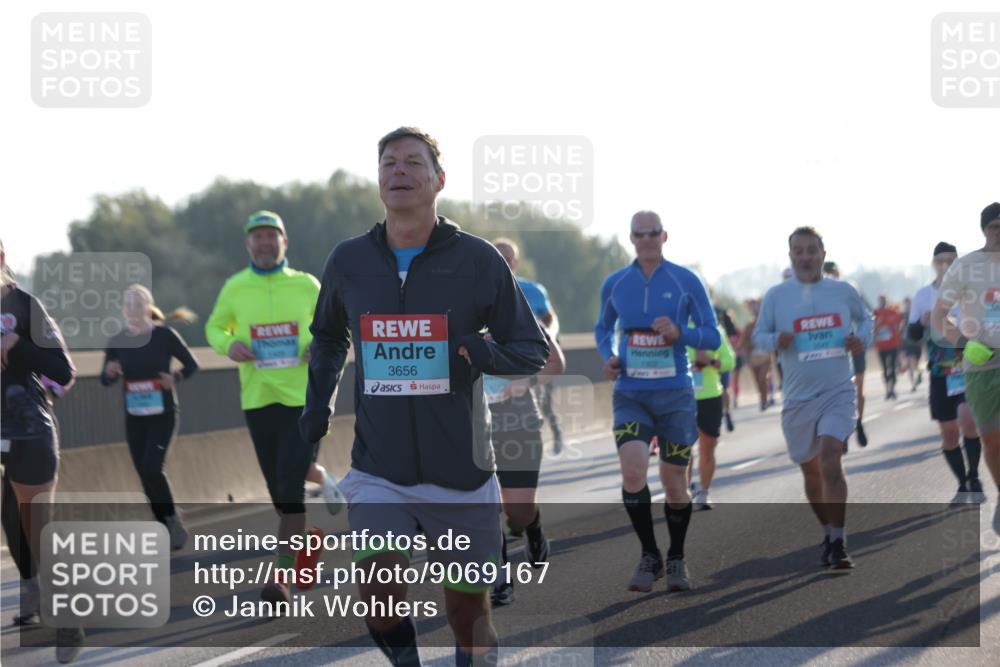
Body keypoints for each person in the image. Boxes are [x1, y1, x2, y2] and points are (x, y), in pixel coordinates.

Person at [300, 127, 548, 667]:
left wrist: (481, 354)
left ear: (439, 180)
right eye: (388, 163)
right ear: (378, 179)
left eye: (413, 163)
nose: (399, 172)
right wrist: (316, 404)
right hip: (378, 467)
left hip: (460, 470)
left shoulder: (478, 260)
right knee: (379, 598)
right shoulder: (348, 260)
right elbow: (326, 337)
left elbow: (532, 348)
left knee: (468, 618)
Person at [205, 210, 340, 607]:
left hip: (303, 400)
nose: (265, 243)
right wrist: (228, 345)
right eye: (257, 237)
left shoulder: (305, 285)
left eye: (271, 236)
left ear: (284, 242)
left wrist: (318, 345)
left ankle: (280, 579)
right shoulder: (235, 287)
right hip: (258, 398)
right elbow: (214, 327)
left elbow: (332, 326)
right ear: (248, 245)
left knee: (289, 489)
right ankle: (308, 542)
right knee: (281, 496)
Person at [595, 210, 720, 593]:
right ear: (631, 239)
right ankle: (650, 555)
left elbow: (713, 336)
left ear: (664, 236)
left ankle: (677, 556)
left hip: (676, 395)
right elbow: (603, 327)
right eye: (639, 234)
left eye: (653, 233)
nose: (646, 239)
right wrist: (609, 356)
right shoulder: (616, 283)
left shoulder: (685, 280)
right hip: (631, 393)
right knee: (633, 471)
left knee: (675, 485)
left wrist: (680, 332)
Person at [753, 227, 872, 570]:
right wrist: (777, 340)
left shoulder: (843, 291)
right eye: (798, 251)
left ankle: (838, 541)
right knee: (811, 474)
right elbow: (758, 338)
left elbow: (868, 320)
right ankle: (827, 530)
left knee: (831, 459)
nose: (805, 257)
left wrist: (860, 338)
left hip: (837, 390)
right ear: (790, 257)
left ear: (822, 253)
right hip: (798, 398)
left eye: (811, 250)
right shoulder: (777, 296)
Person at [1, 238, 82, 661]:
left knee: (35, 522)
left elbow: (63, 369)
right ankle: (33, 589)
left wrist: (19, 346)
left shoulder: (22, 305)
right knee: (9, 517)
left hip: (27, 425)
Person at [101, 285, 199, 548]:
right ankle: (164, 525)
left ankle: (172, 519)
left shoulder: (165, 336)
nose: (133, 308)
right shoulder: (118, 340)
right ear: (124, 310)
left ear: (148, 307)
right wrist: (110, 371)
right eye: (128, 304)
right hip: (135, 417)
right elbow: (105, 378)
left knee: (152, 468)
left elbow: (191, 365)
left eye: (138, 303)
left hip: (163, 414)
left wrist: (174, 377)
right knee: (144, 476)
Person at [484, 328, 565, 606]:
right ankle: (501, 579)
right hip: (473, 429)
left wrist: (527, 381)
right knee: (486, 505)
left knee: (517, 509)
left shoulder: (517, 317)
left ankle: (534, 527)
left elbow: (556, 362)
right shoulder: (455, 319)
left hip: (520, 425)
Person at [932, 203, 1000, 530]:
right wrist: (962, 342)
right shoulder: (965, 267)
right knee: (991, 441)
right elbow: (938, 315)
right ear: (984, 230)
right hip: (981, 365)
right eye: (995, 226)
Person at [909, 242, 984, 503]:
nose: (945, 265)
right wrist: (920, 323)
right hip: (940, 371)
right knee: (949, 433)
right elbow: (911, 335)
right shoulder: (922, 296)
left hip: (968, 367)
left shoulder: (971, 292)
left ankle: (974, 476)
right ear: (933, 264)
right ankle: (962, 482)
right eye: (940, 261)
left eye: (950, 260)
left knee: (968, 420)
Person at [492, 238, 565, 455]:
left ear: (516, 262)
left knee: (541, 395)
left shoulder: (533, 290)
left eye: (507, 259)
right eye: (498, 259)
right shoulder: (482, 289)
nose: (503, 264)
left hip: (536, 351)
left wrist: (546, 338)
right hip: (506, 356)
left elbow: (551, 318)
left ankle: (552, 431)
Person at [688, 323, 736, 510]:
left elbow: (729, 361)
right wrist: (689, 366)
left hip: (709, 396)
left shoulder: (714, 330)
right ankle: (682, 492)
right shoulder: (675, 326)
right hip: (682, 396)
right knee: (683, 450)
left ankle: (703, 493)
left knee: (707, 449)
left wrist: (709, 361)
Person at [823, 261, 871, 447]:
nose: (830, 276)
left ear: (838, 273)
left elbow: (867, 315)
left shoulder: (849, 289)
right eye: (827, 273)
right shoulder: (819, 294)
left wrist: (860, 337)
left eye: (833, 273)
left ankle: (858, 422)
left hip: (854, 346)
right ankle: (840, 431)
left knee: (858, 388)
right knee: (836, 391)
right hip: (834, 349)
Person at [743, 299, 773, 411]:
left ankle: (765, 400)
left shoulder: (767, 325)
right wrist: (749, 344)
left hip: (765, 356)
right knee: (758, 380)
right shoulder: (748, 326)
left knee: (762, 378)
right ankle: (763, 399)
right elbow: (743, 342)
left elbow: (772, 339)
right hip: (753, 358)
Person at [872, 295, 903, 400]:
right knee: (885, 368)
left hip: (893, 344)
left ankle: (892, 389)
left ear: (887, 301)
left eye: (884, 301)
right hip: (881, 346)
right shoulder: (875, 313)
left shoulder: (893, 312)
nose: (882, 303)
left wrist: (896, 329)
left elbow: (900, 324)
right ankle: (887, 390)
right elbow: (871, 326)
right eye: (880, 301)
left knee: (893, 367)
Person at [900, 296, 924, 391]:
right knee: (910, 363)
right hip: (907, 342)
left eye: (908, 303)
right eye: (905, 304)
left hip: (916, 343)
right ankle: (913, 384)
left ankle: (919, 373)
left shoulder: (916, 314)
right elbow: (900, 328)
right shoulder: (903, 315)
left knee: (915, 364)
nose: (907, 306)